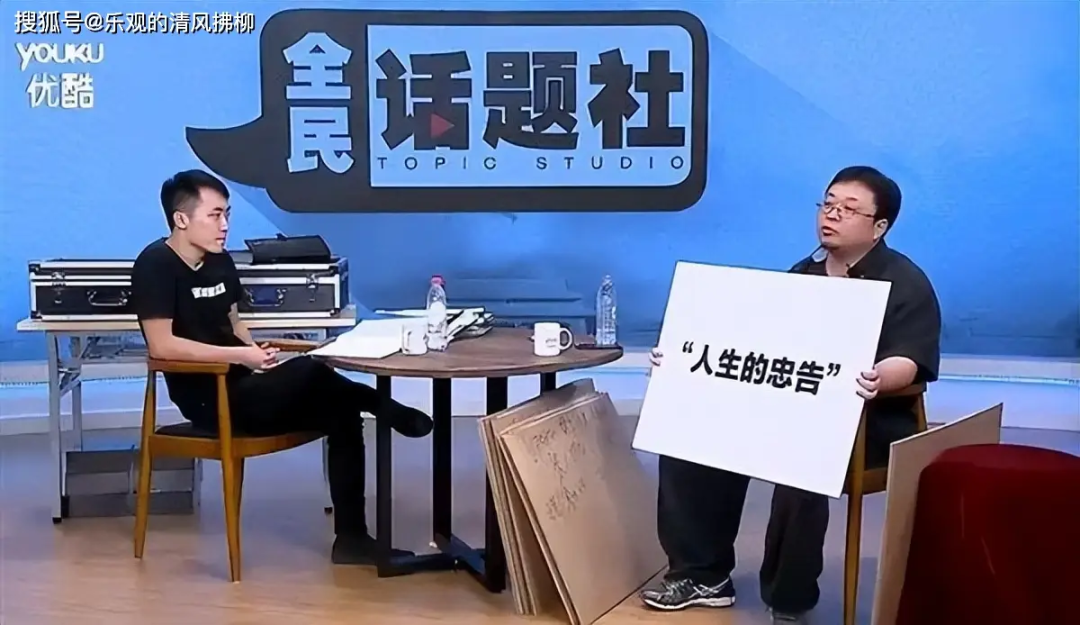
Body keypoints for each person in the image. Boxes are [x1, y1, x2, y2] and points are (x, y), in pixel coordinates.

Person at [639, 166, 941, 623]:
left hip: (867, 422)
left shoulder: (905, 282)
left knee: (800, 462)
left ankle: (789, 597)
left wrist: (879, 376)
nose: (831, 215)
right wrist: (685, 357)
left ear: (879, 227)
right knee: (692, 436)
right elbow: (761, 347)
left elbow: (911, 359)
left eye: (848, 209)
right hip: (787, 409)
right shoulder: (804, 273)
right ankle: (703, 575)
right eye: (828, 204)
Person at [131, 169, 433, 565]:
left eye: (227, 214)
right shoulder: (155, 265)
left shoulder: (220, 261)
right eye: (215, 215)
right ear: (181, 219)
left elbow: (233, 322)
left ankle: (352, 539)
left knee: (341, 411)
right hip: (209, 399)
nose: (225, 225)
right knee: (310, 370)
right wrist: (242, 357)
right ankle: (379, 403)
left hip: (245, 385)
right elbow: (162, 344)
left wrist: (254, 352)